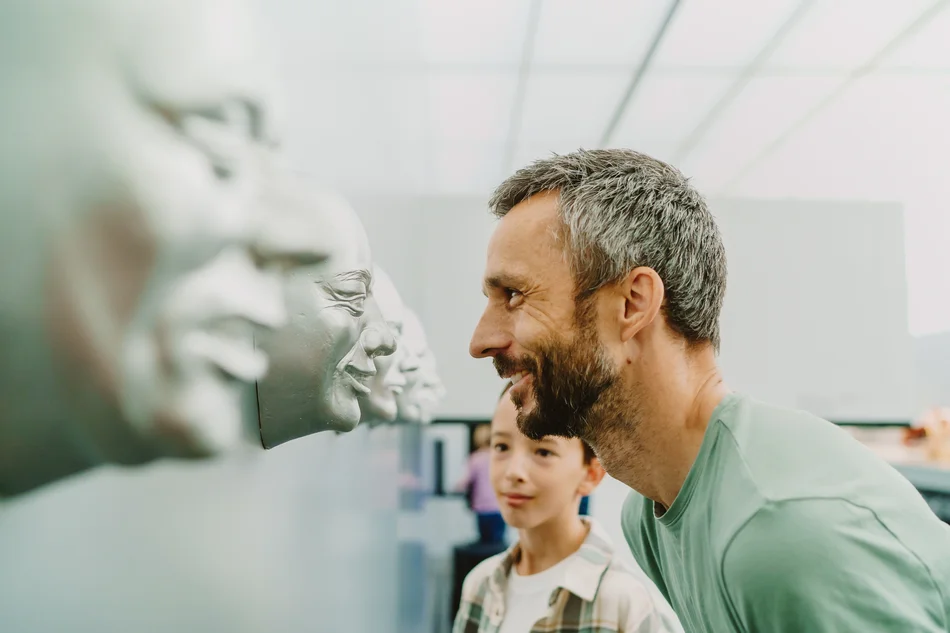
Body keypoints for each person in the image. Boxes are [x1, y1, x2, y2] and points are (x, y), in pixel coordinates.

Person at [469, 148, 950, 632]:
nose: (480, 341)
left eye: (514, 295)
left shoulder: (783, 528)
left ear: (632, 304)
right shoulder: (651, 509)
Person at [453, 383, 673, 633]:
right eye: (501, 447)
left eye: (543, 452)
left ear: (591, 473)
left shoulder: (624, 602)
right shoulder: (480, 585)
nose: (513, 472)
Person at [456, 423, 506, 544]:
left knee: (484, 544)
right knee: (498, 544)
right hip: (499, 506)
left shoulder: (475, 459)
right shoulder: (501, 457)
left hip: (482, 508)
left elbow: (465, 482)